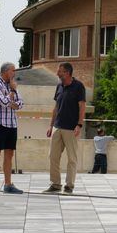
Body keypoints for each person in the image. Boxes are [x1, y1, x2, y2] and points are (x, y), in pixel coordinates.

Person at [43, 62, 86, 194]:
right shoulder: (59, 86)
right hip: (57, 127)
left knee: (72, 158)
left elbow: (82, 107)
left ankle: (69, 186)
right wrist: (51, 126)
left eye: (60, 71)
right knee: (53, 157)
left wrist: (79, 125)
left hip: (71, 128)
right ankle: (55, 184)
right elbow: (56, 108)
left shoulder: (78, 86)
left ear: (67, 73)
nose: (57, 73)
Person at [0, 62, 24, 195]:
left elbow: (20, 104)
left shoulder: (12, 84)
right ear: (6, 71)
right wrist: (12, 93)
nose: (15, 73)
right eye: (13, 70)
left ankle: (8, 184)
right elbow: (4, 102)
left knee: (9, 154)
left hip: (12, 124)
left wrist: (12, 99)